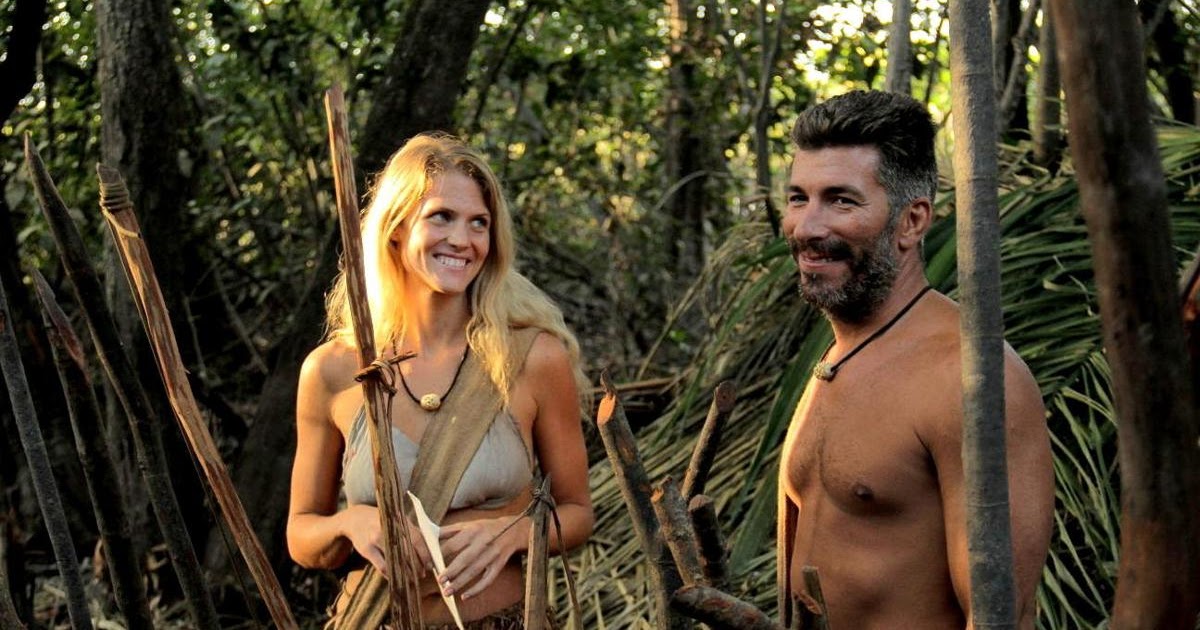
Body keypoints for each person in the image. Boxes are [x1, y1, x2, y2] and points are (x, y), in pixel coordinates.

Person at [287, 133, 593, 628]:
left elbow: (577, 512)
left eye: (479, 223)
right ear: (396, 229)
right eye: (441, 217)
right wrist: (352, 521)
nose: (462, 240)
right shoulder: (333, 369)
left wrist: (513, 532)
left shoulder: (533, 358)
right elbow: (302, 535)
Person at [776, 90, 1054, 629]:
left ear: (912, 221)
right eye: (798, 198)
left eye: (841, 200)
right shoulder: (838, 356)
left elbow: (999, 619)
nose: (808, 227)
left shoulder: (969, 377)